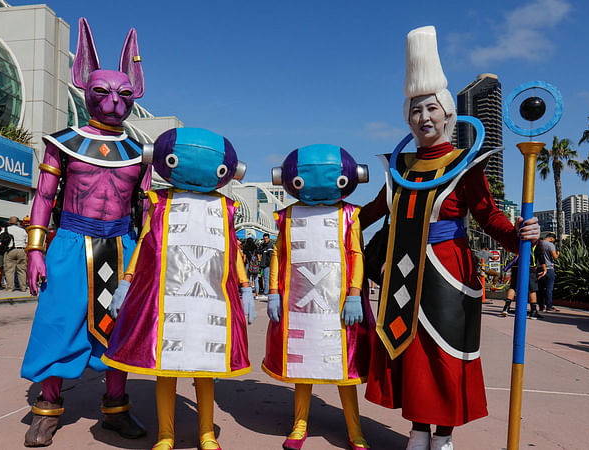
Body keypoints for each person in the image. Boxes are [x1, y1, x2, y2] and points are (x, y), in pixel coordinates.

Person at [359, 26, 540, 450]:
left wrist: (521, 235)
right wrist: (326, 215)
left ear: (447, 114)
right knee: (413, 355)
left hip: (449, 273)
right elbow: (366, 216)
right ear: (408, 118)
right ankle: (418, 429)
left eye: (430, 109)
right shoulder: (398, 168)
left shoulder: (466, 165)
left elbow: (491, 218)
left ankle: (443, 434)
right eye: (415, 110)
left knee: (445, 355)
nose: (424, 118)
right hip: (404, 276)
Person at [19, 18, 150, 447]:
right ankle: (47, 410)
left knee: (120, 328)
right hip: (71, 243)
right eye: (103, 91)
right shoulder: (62, 143)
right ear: (83, 85)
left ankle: (115, 409)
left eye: (123, 93)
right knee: (58, 323)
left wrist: (150, 255)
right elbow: (43, 197)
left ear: (135, 92)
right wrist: (35, 250)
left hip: (122, 244)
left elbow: (147, 208)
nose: (114, 100)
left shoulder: (140, 154)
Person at [103, 127, 254, 450]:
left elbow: (233, 250)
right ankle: (166, 434)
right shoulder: (158, 200)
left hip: (211, 302)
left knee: (205, 369)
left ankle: (206, 433)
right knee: (166, 368)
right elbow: (145, 242)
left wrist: (245, 287)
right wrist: (126, 283)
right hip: (166, 299)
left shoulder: (226, 207)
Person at [262, 144, 372, 450]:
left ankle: (355, 429)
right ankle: (299, 425)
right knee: (303, 365)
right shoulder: (286, 215)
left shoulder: (349, 214)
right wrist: (273, 293)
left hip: (337, 305)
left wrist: (354, 293)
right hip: (299, 306)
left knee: (343, 369)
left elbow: (356, 253)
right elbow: (278, 254)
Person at [500, 244, 542, 319]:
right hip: (529, 265)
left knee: (513, 287)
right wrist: (544, 267)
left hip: (516, 265)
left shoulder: (514, 239)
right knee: (532, 289)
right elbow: (539, 255)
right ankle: (533, 311)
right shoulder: (532, 240)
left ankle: (506, 308)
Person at [4, 216, 28, 292]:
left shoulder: (6, 229)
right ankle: (23, 287)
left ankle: (10, 288)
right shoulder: (23, 231)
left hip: (10, 250)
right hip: (21, 250)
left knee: (9, 270)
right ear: (17, 223)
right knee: (22, 270)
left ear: (10, 222)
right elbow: (27, 242)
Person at [537, 232, 559, 312]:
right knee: (549, 289)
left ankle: (541, 307)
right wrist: (558, 253)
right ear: (551, 238)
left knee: (540, 289)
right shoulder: (550, 245)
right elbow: (555, 257)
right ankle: (549, 306)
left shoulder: (538, 244)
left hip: (539, 268)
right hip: (549, 268)